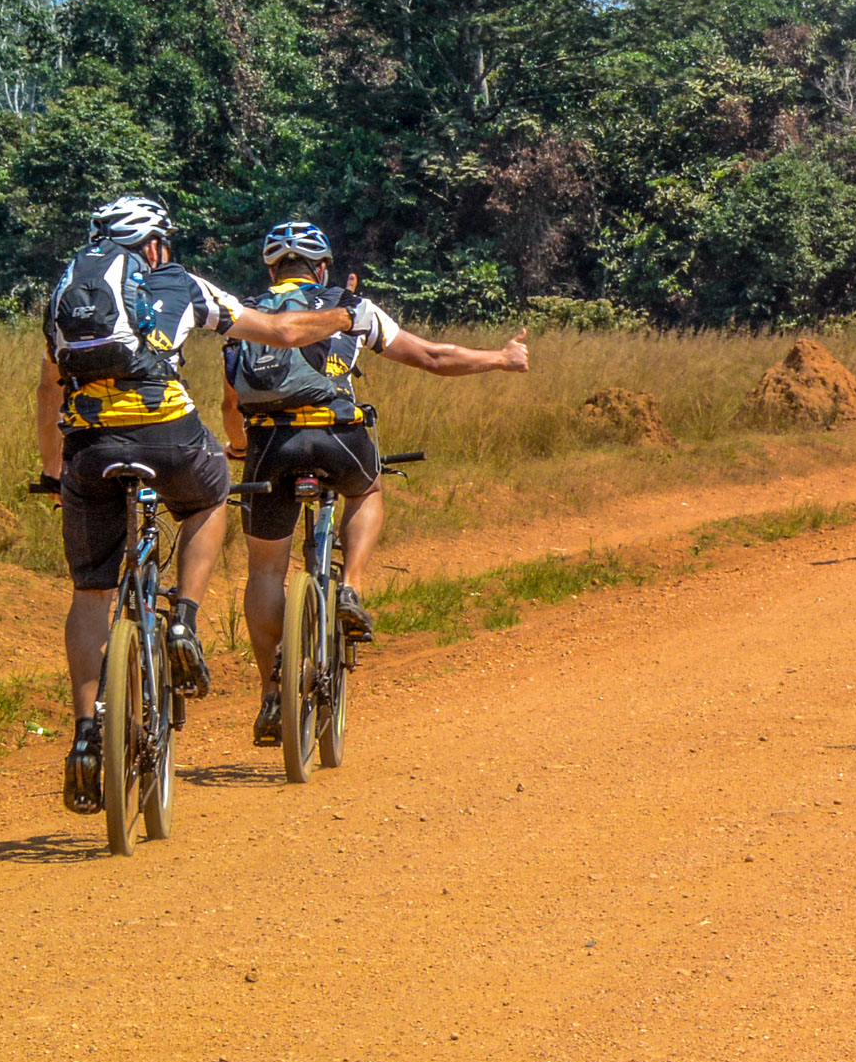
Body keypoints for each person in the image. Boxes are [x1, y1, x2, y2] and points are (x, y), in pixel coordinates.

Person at [38, 196, 369, 815]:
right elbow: (283, 332)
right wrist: (341, 319)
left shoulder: (63, 295)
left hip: (87, 446)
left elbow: (47, 387)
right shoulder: (181, 284)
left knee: (90, 594)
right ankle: (185, 620)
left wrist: (54, 472)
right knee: (211, 495)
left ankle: (86, 738)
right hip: (169, 435)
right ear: (155, 244)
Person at [224, 220, 531, 746]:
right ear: (322, 267)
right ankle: (351, 586)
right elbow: (433, 357)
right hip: (339, 439)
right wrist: (502, 359)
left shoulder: (243, 312)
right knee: (366, 490)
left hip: (269, 447)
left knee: (266, 571)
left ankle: (271, 696)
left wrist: (237, 448)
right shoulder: (348, 305)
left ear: (271, 268)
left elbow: (232, 402)